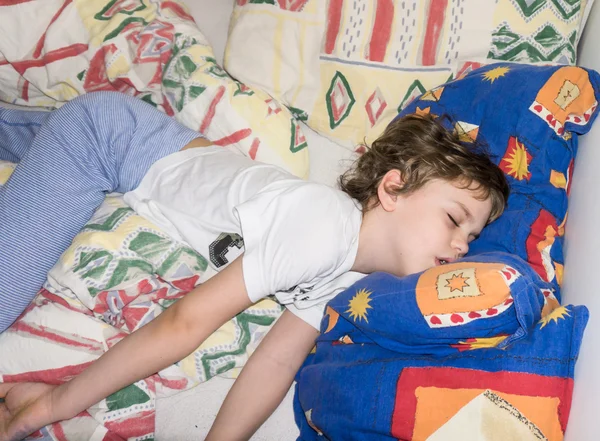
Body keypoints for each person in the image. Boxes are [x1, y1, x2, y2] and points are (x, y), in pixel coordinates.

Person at [0, 91, 509, 440]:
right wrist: (53, 406)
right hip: (104, 142)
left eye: (472, 236)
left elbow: (276, 363)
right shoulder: (322, 224)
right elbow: (187, 321)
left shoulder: (353, 277)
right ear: (393, 189)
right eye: (454, 219)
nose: (462, 247)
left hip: (143, 144)